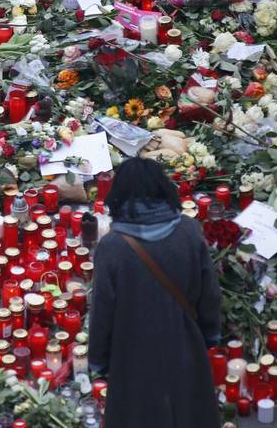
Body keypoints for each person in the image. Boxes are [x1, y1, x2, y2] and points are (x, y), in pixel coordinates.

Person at [88, 157, 221, 428]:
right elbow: (209, 292)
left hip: (132, 354)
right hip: (184, 344)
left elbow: (103, 309)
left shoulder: (113, 246)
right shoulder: (188, 231)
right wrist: (209, 335)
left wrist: (99, 360)